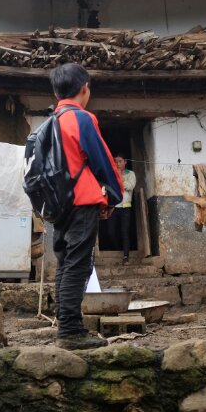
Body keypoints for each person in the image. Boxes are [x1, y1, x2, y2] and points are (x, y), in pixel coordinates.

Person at [49, 63, 123, 350]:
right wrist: (112, 196)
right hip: (81, 202)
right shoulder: (81, 118)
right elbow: (102, 160)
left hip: (58, 205)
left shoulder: (51, 121)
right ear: (85, 89)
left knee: (65, 264)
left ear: (57, 92)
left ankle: (64, 326)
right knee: (78, 265)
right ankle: (70, 331)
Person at [110, 154, 136, 265]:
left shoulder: (131, 174)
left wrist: (120, 177)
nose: (117, 164)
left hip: (125, 207)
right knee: (111, 231)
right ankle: (117, 249)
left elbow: (130, 186)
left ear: (125, 162)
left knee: (125, 232)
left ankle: (126, 256)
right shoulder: (111, 174)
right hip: (113, 207)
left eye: (120, 161)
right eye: (115, 161)